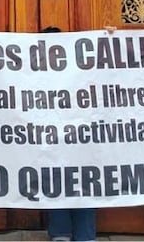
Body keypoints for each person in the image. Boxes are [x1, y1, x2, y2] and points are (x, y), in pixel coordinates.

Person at [41, 26, 98, 241]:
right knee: (57, 182)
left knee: (85, 181)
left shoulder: (81, 68)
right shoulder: (28, 75)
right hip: (51, 143)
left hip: (82, 140)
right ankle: (61, 233)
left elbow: (111, 68)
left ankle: (84, 235)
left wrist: (111, 38)